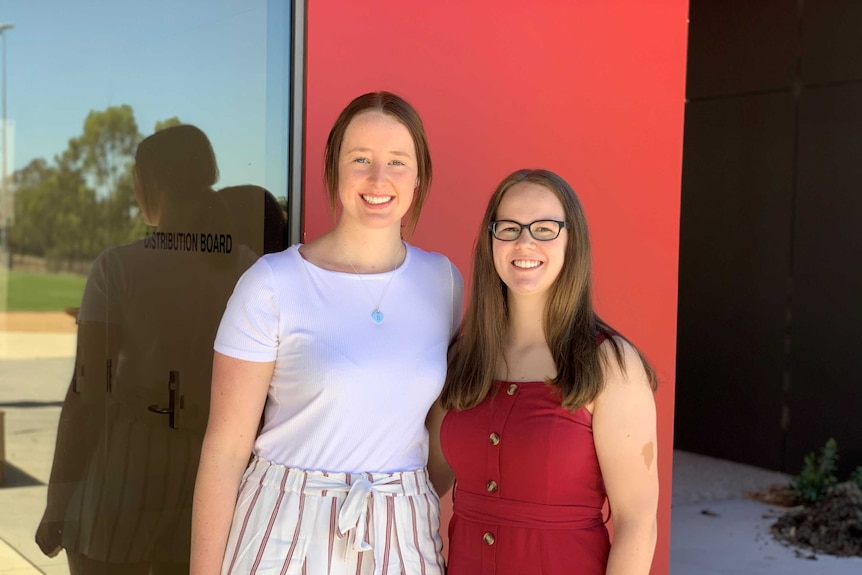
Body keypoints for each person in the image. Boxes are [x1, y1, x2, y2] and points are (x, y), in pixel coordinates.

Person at [191, 92, 463, 575]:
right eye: (361, 159)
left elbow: (441, 429)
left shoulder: (442, 280)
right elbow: (225, 450)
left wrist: (404, 497)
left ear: (418, 177)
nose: (379, 179)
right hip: (284, 529)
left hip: (400, 535)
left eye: (397, 162)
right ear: (335, 169)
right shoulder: (273, 283)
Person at [35, 124, 261, 574]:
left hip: (122, 479)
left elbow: (87, 395)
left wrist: (58, 502)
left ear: (149, 181)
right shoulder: (250, 269)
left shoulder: (118, 268)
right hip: (210, 476)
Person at [432, 169, 658, 575]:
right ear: (490, 240)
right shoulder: (463, 358)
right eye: (510, 228)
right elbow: (426, 482)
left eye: (544, 228)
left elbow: (637, 520)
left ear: (573, 241)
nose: (525, 242)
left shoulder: (610, 363)